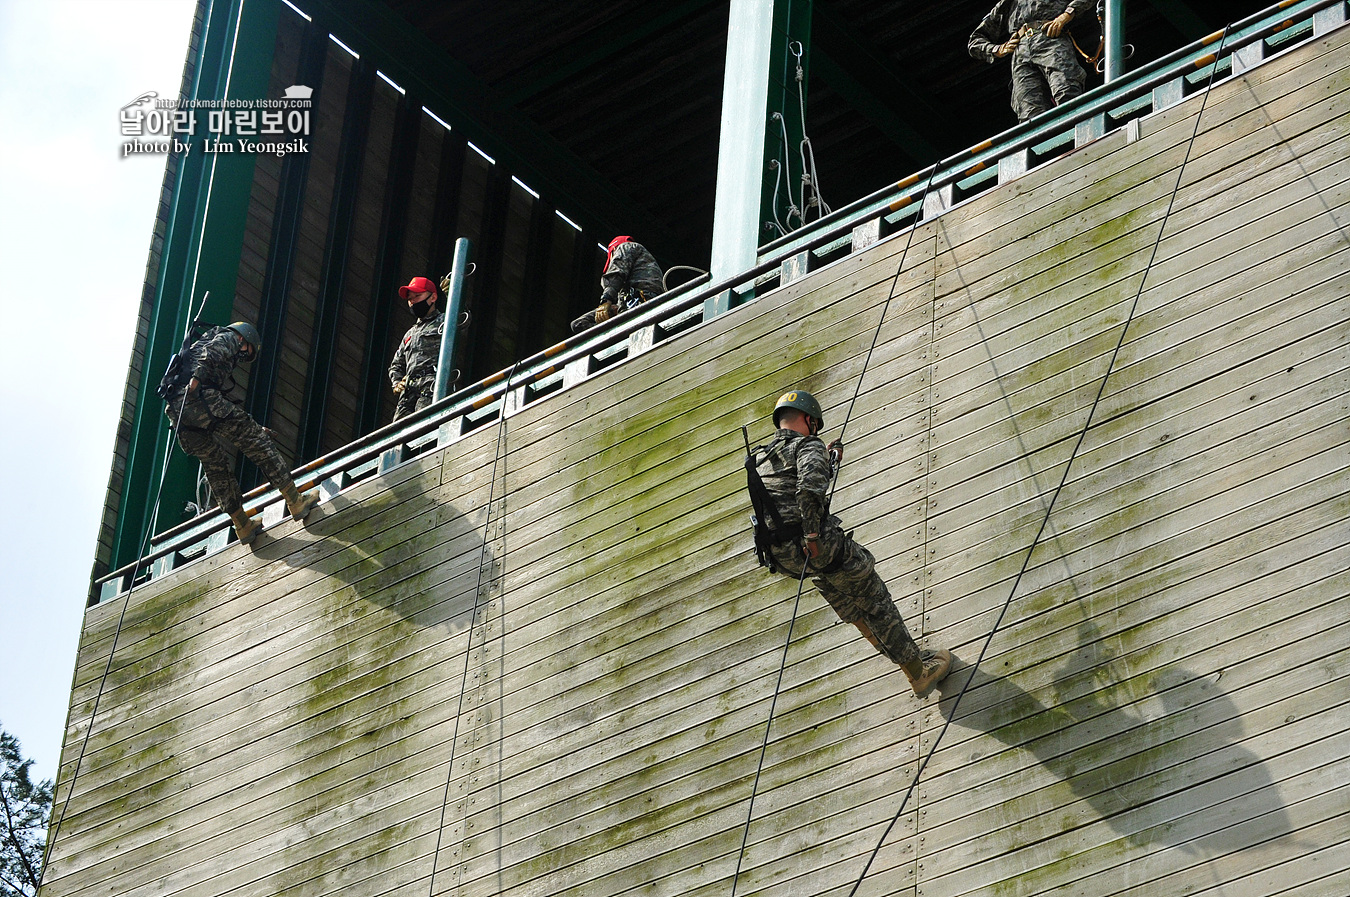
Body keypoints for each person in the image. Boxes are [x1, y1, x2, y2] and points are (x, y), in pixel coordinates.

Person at [745, 390, 951, 696]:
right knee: (873, 597)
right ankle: (919, 671)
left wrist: (830, 460)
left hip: (784, 556)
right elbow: (808, 490)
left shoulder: (761, 457)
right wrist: (814, 536)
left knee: (848, 601)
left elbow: (785, 492)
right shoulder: (807, 444)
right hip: (816, 545)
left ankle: (908, 664)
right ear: (809, 420)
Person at [162, 321, 319, 544]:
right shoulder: (229, 338)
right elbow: (212, 354)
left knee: (216, 467)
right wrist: (196, 383)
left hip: (180, 415)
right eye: (248, 351)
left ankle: (242, 525)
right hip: (197, 399)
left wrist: (254, 425)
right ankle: (296, 501)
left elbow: (220, 411)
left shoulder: (198, 346)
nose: (244, 355)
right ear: (244, 339)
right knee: (257, 443)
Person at [969, 0, 1087, 123]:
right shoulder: (1006, 3)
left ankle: (1079, 135)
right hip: (1021, 51)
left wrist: (1066, 15)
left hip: (1049, 39)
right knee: (1029, 111)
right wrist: (997, 49)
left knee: (1066, 92)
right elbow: (975, 41)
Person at [571, 236, 664, 333]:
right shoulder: (643, 259)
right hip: (632, 303)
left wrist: (606, 301)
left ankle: (611, 333)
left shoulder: (625, 247)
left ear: (613, 251)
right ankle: (611, 333)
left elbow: (617, 273)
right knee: (578, 324)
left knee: (580, 323)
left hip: (639, 301)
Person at [389, 275, 447, 420]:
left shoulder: (445, 320)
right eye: (410, 299)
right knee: (398, 435)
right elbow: (396, 365)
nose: (413, 301)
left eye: (417, 296)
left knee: (423, 427)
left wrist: (455, 294)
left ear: (433, 298)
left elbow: (463, 320)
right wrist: (397, 383)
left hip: (431, 386)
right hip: (408, 393)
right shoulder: (410, 334)